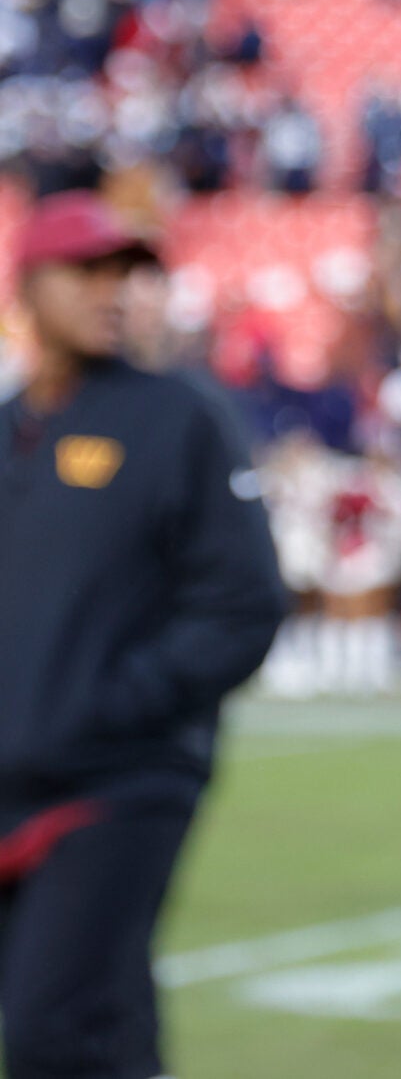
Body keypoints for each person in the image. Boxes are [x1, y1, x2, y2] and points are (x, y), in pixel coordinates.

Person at [0, 191, 288, 1079]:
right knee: (102, 1022)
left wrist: (112, 705)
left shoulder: (179, 417)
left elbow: (244, 605)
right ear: (29, 284)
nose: (112, 291)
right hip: (13, 779)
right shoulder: (9, 426)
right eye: (87, 271)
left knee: (55, 1029)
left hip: (121, 779)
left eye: (126, 272)